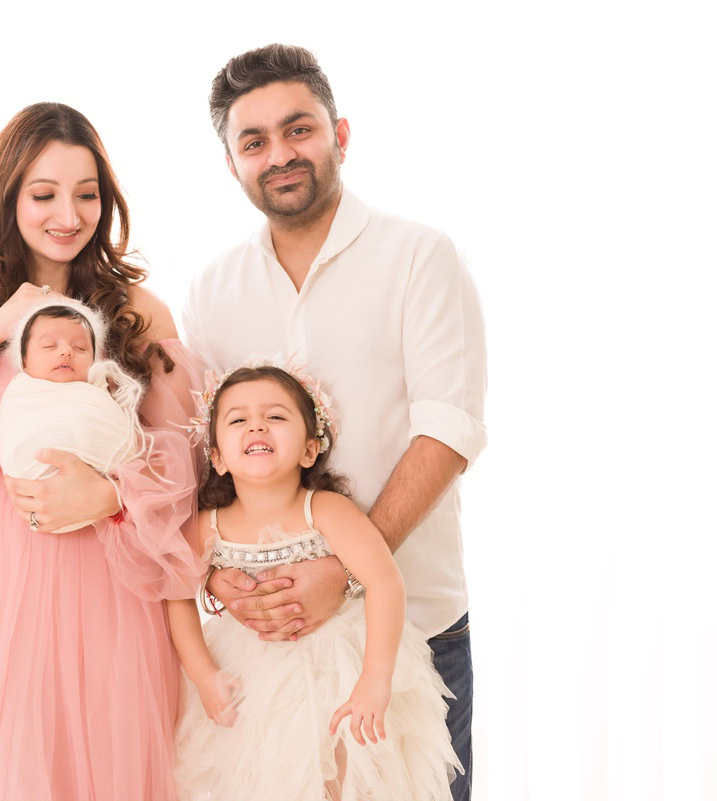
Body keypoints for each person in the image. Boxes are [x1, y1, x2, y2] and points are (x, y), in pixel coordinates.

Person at [0, 102, 204, 801]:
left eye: (87, 194)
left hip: (113, 604)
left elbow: (188, 463)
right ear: (8, 197)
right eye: (44, 193)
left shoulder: (141, 314)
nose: (69, 214)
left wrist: (109, 494)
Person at [180, 44, 487, 800]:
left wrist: (344, 568)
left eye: (299, 130)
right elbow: (207, 452)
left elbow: (449, 428)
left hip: (412, 621)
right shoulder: (214, 290)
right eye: (253, 142)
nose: (280, 155)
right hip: (264, 650)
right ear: (232, 164)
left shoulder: (419, 256)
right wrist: (219, 573)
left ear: (340, 135)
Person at [168, 361, 461, 800]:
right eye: (238, 420)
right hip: (249, 678)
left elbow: (385, 583)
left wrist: (375, 678)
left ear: (309, 450)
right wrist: (204, 673)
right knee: (260, 778)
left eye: (276, 417)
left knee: (338, 779)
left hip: (336, 670)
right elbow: (175, 595)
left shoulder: (324, 509)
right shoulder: (207, 526)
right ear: (217, 458)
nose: (256, 428)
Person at [0, 297, 156, 532]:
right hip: (30, 500)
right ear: (25, 362)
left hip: (102, 501)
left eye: (80, 348)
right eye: (50, 346)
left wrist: (110, 493)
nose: (66, 351)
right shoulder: (23, 393)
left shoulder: (97, 394)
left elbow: (124, 443)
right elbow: (13, 435)